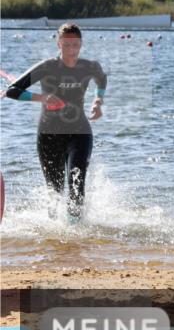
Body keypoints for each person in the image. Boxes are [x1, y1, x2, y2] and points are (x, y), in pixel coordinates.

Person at [4, 23, 107, 221]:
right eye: (66, 45)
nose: (71, 49)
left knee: (77, 184)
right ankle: (56, 242)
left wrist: (98, 101)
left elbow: (101, 79)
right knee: (55, 192)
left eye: (75, 45)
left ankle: (75, 232)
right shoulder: (47, 67)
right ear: (59, 44)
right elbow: (12, 90)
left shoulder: (89, 67)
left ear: (80, 44)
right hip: (48, 135)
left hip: (80, 132)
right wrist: (42, 98)